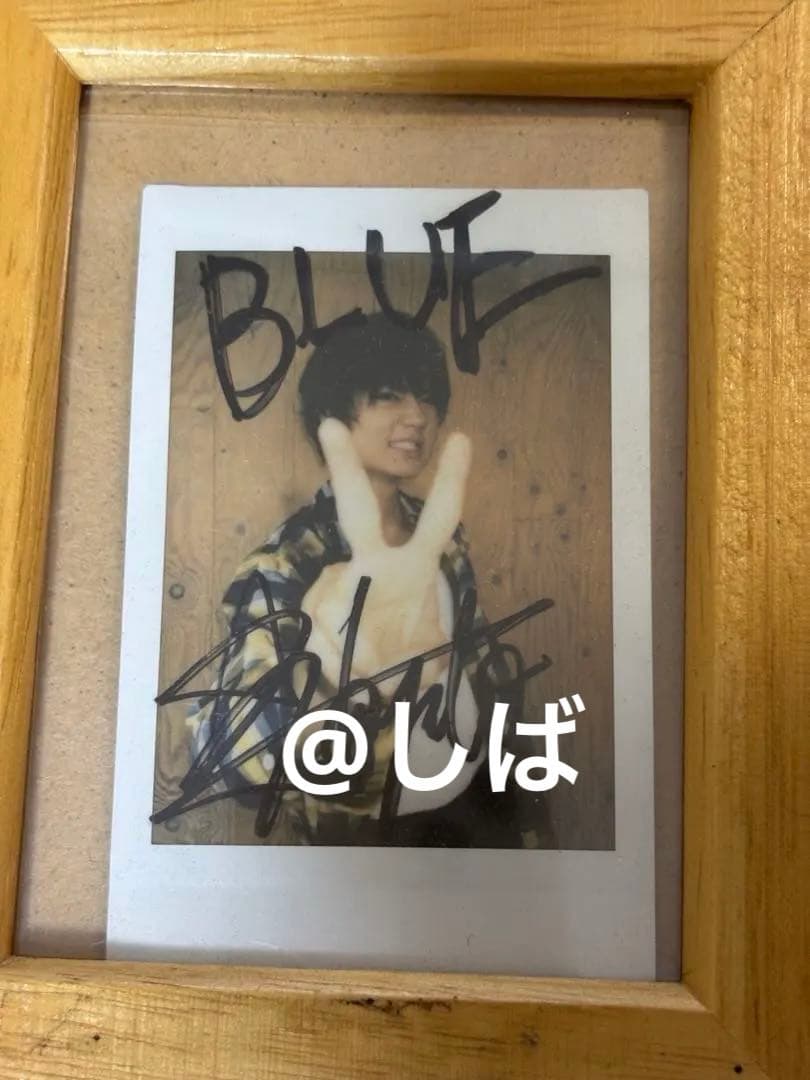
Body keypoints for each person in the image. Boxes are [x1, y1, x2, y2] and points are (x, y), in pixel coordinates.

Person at [186, 313, 535, 847]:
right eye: (389, 395)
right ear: (332, 415)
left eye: (427, 397)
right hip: (362, 850)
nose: (417, 416)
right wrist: (341, 688)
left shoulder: (443, 540)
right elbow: (233, 757)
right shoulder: (289, 560)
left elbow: (487, 690)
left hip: (474, 835)